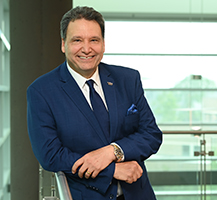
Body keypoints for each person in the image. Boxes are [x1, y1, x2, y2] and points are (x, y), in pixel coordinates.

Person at [27, 6, 163, 200]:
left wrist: (112, 151)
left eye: (94, 40)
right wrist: (112, 170)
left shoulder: (128, 79)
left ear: (103, 44)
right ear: (63, 44)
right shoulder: (41, 91)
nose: (87, 48)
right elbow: (51, 155)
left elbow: (151, 135)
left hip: (138, 194)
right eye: (77, 40)